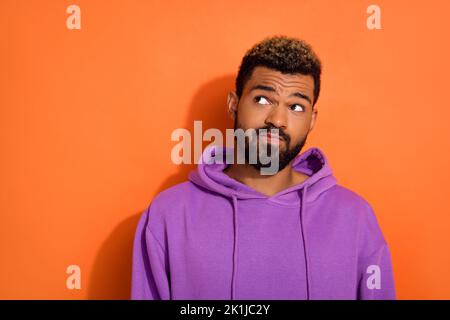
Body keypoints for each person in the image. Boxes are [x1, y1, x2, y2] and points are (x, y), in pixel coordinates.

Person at [130, 35, 396, 300]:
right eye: (262, 100)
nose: (277, 119)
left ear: (312, 119)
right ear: (233, 104)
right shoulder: (169, 215)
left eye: (295, 106)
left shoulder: (356, 217)